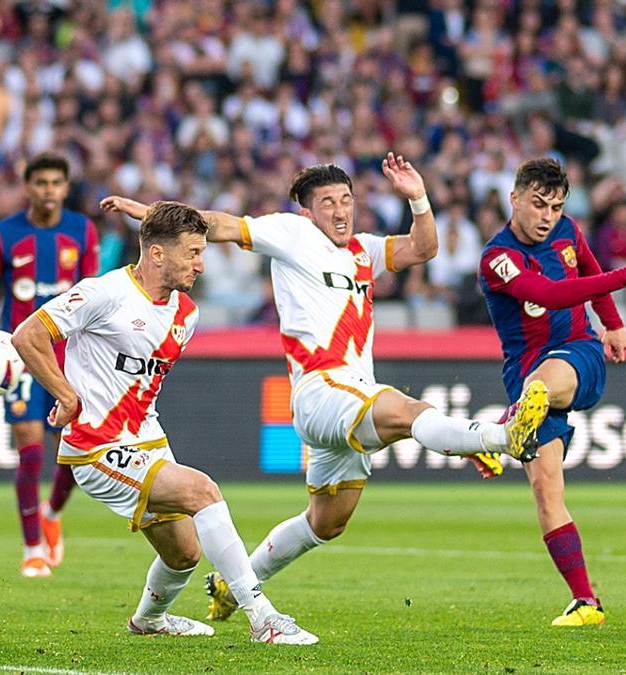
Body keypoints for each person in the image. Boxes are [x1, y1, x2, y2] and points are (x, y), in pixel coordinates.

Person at [101, 153, 549, 623]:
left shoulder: (362, 251)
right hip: (321, 388)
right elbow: (222, 224)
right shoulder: (291, 234)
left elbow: (423, 249)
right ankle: (502, 436)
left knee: (326, 522)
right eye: (328, 203)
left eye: (346, 200)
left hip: (349, 395)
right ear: (307, 212)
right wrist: (154, 216)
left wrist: (417, 196)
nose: (339, 211)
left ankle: (230, 588)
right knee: (408, 411)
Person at [10, 201, 318, 644]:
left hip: (147, 441)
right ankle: (263, 618)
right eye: (192, 252)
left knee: (184, 553)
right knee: (203, 491)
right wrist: (66, 394)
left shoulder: (185, 314)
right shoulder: (103, 294)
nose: (201, 263)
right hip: (97, 447)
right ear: (157, 254)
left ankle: (148, 621)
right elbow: (29, 335)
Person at [477, 157, 626, 626]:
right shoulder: (497, 258)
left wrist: (614, 325)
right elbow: (553, 294)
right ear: (515, 198)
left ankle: (502, 429)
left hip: (578, 355)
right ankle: (586, 603)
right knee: (546, 490)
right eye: (539, 205)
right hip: (525, 372)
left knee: (542, 384)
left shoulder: (568, 232)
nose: (547, 217)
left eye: (556, 207)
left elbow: (587, 269)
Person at [0, 153, 99, 577]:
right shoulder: (3, 234)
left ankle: (53, 513)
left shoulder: (82, 231)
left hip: (70, 358)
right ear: (27, 186)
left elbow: (93, 295)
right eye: (39, 182)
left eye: (55, 183)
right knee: (30, 453)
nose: (47, 190)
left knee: (77, 453)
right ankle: (31, 549)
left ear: (65, 187)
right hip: (19, 357)